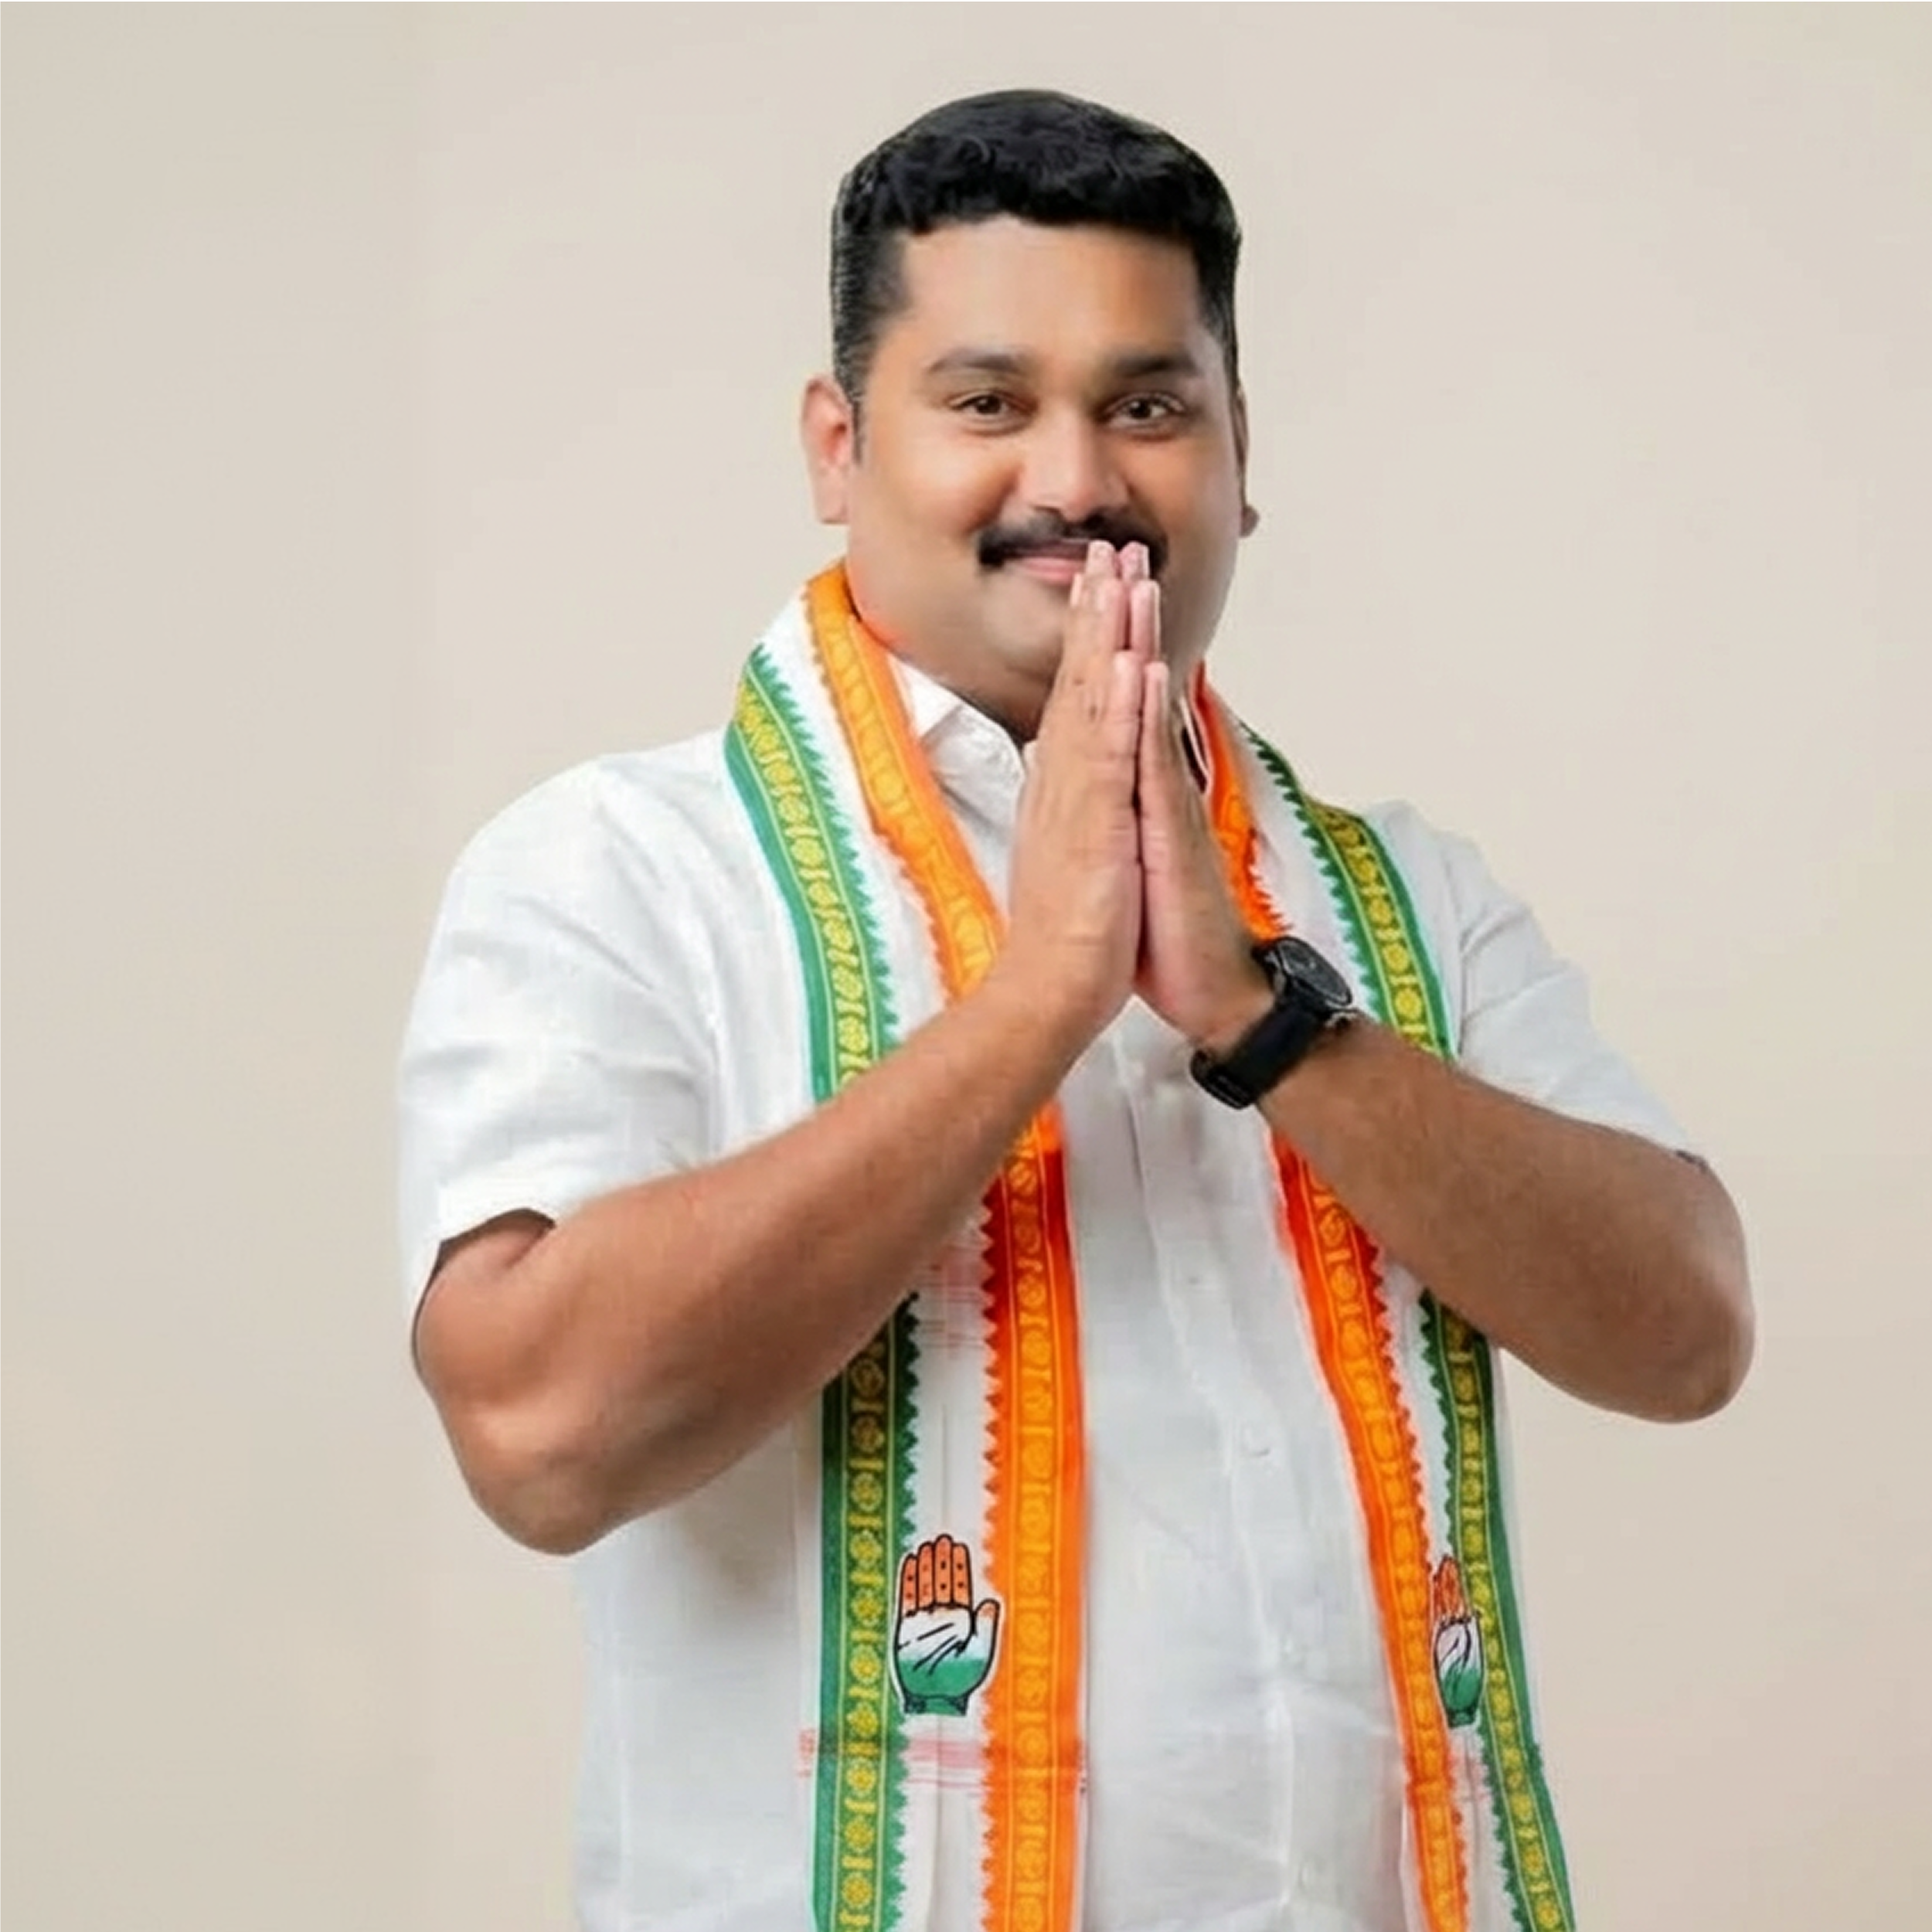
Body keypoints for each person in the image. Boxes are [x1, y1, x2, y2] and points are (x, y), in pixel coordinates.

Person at [398, 88, 1751, 1932]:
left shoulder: (1398, 900)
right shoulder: (621, 868)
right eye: (984, 401)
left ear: (1236, 451)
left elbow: (1684, 1334)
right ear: (835, 444)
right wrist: (1037, 995)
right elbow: (539, 1433)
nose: (1076, 478)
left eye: (1146, 406)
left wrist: (1261, 1018)